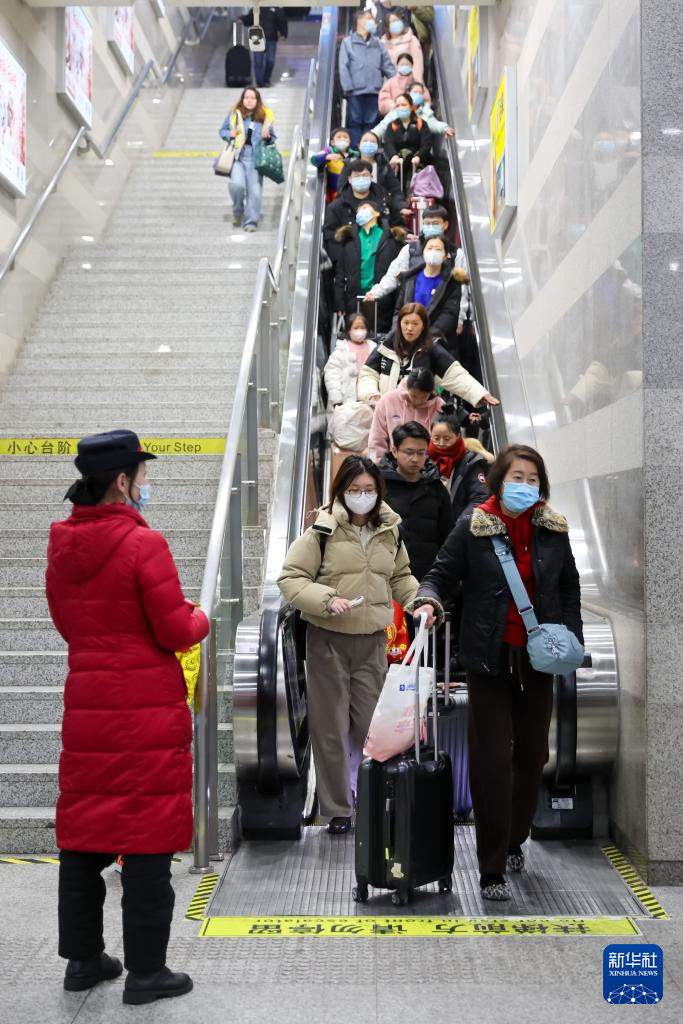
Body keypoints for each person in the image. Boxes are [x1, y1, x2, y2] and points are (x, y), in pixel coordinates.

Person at [46, 430, 210, 1004]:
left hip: (88, 707)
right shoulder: (145, 544)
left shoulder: (62, 544)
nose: (146, 485)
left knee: (83, 840)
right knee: (146, 841)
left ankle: (83, 962)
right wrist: (200, 618)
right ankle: (146, 973)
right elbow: (174, 629)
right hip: (143, 715)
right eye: (143, 476)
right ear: (123, 481)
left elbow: (66, 624)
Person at [410, 445, 583, 901]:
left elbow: (569, 586)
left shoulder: (552, 529)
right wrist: (428, 600)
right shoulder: (474, 524)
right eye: (516, 477)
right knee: (491, 762)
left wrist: (572, 637)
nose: (524, 485)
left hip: (538, 660)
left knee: (532, 757)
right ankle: (491, 868)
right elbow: (440, 574)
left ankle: (513, 838)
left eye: (532, 479)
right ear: (498, 479)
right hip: (488, 659)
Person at [277, 456, 419, 834]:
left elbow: (401, 576)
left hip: (372, 643)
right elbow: (291, 578)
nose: (362, 496)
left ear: (379, 492)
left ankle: (374, 800)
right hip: (328, 641)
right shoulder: (322, 530)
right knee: (330, 728)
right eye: (355, 489)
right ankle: (338, 809)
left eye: (369, 489)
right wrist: (327, 599)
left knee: (372, 727)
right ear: (341, 491)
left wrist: (420, 600)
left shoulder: (390, 530)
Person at [358, 302, 499, 411]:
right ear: (399, 323)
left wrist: (480, 394)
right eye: (406, 323)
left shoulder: (432, 350)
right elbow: (368, 374)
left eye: (415, 324)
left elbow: (455, 375)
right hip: (385, 411)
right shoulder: (386, 346)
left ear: (424, 326)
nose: (409, 328)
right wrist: (372, 395)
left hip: (418, 415)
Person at [366, 205, 470, 339]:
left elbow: (462, 290)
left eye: (435, 223)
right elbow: (393, 276)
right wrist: (376, 293)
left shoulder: (456, 254)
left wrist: (460, 318)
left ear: (445, 225)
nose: (430, 227)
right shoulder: (410, 250)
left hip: (439, 323)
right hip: (411, 319)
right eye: (427, 223)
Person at [379, 421, 453, 581]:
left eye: (421, 453)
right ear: (395, 451)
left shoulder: (436, 488)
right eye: (409, 452)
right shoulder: (379, 487)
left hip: (428, 577)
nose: (415, 459)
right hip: (388, 575)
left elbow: (447, 536)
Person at [332, 200, 407, 330]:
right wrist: (339, 302)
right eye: (359, 211)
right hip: (354, 299)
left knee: (381, 334)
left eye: (365, 208)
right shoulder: (349, 240)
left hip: (383, 301)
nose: (361, 212)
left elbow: (398, 274)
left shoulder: (391, 239)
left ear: (377, 213)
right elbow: (340, 273)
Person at [219, 87, 275, 232]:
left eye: (252, 98)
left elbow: (272, 138)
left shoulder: (265, 116)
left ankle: (251, 222)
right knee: (236, 185)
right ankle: (238, 210)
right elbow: (222, 130)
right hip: (238, 156)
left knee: (254, 191)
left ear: (257, 100)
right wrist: (229, 134)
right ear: (242, 99)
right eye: (246, 97)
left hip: (255, 158)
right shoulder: (235, 114)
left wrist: (267, 137)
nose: (249, 100)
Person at [391, 236, 466, 343]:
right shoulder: (409, 278)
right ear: (423, 253)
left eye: (438, 249)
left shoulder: (451, 282)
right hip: (406, 338)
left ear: (445, 256)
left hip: (435, 342)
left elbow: (449, 314)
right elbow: (399, 310)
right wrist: (398, 332)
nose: (433, 252)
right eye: (429, 248)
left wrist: (425, 339)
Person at [338, 9, 396, 147]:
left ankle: (369, 149)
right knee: (355, 121)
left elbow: (387, 65)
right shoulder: (348, 42)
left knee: (371, 122)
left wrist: (397, 82)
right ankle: (355, 150)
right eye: (369, 18)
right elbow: (343, 66)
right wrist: (347, 88)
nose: (373, 22)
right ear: (359, 21)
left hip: (374, 90)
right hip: (355, 91)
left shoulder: (378, 43)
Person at [323, 159, 404, 256]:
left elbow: (398, 224)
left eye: (365, 175)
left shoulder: (385, 201)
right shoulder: (337, 206)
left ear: (371, 177)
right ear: (349, 179)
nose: (361, 179)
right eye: (356, 176)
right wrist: (343, 259)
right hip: (350, 260)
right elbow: (330, 236)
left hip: (383, 257)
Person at [368, 366, 443, 463]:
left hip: (427, 465)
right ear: (407, 388)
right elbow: (376, 437)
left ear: (431, 392)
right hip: (393, 464)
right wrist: (376, 463)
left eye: (424, 397)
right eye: (414, 396)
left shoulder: (439, 406)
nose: (418, 401)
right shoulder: (387, 401)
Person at [429, 407, 489, 521]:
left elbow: (480, 497)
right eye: (436, 438)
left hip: (459, 526)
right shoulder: (424, 459)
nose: (441, 443)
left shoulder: (471, 462)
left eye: (447, 438)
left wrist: (460, 525)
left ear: (458, 436)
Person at [336, 132, 408, 220]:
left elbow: (395, 189)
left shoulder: (383, 165)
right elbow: (341, 189)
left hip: (379, 209)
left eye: (373, 142)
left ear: (378, 147)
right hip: (353, 208)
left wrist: (401, 207)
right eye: (365, 141)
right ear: (359, 145)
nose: (368, 144)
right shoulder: (349, 164)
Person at [381, 93, 432, 192]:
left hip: (418, 162)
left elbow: (426, 143)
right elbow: (388, 143)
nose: (401, 108)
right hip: (399, 162)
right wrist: (393, 156)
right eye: (398, 106)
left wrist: (419, 156)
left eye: (404, 105)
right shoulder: (392, 125)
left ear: (411, 106)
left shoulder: (421, 123)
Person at [323, 313, 376, 407]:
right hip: (346, 403)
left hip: (369, 402)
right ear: (348, 330)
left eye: (362, 328)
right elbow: (332, 375)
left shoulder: (374, 348)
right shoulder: (341, 350)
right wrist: (336, 399)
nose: (359, 331)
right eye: (356, 328)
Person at [241, 7, 287, 87]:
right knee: (258, 62)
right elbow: (250, 19)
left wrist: (283, 33)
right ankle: (260, 82)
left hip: (271, 38)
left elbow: (282, 21)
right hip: (257, 38)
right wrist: (242, 19)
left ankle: (266, 79)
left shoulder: (275, 9)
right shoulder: (256, 7)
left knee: (270, 60)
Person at [310, 127, 359, 203]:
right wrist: (326, 157)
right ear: (332, 142)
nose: (342, 139)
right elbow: (314, 160)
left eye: (345, 137)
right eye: (339, 137)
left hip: (352, 191)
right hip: (334, 192)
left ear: (349, 141)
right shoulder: (329, 151)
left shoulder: (355, 154)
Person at [380, 12, 423, 83]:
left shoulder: (411, 39)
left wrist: (416, 83)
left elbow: (418, 64)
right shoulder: (382, 44)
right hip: (391, 84)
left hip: (410, 82)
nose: (397, 23)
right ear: (387, 27)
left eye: (398, 20)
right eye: (394, 21)